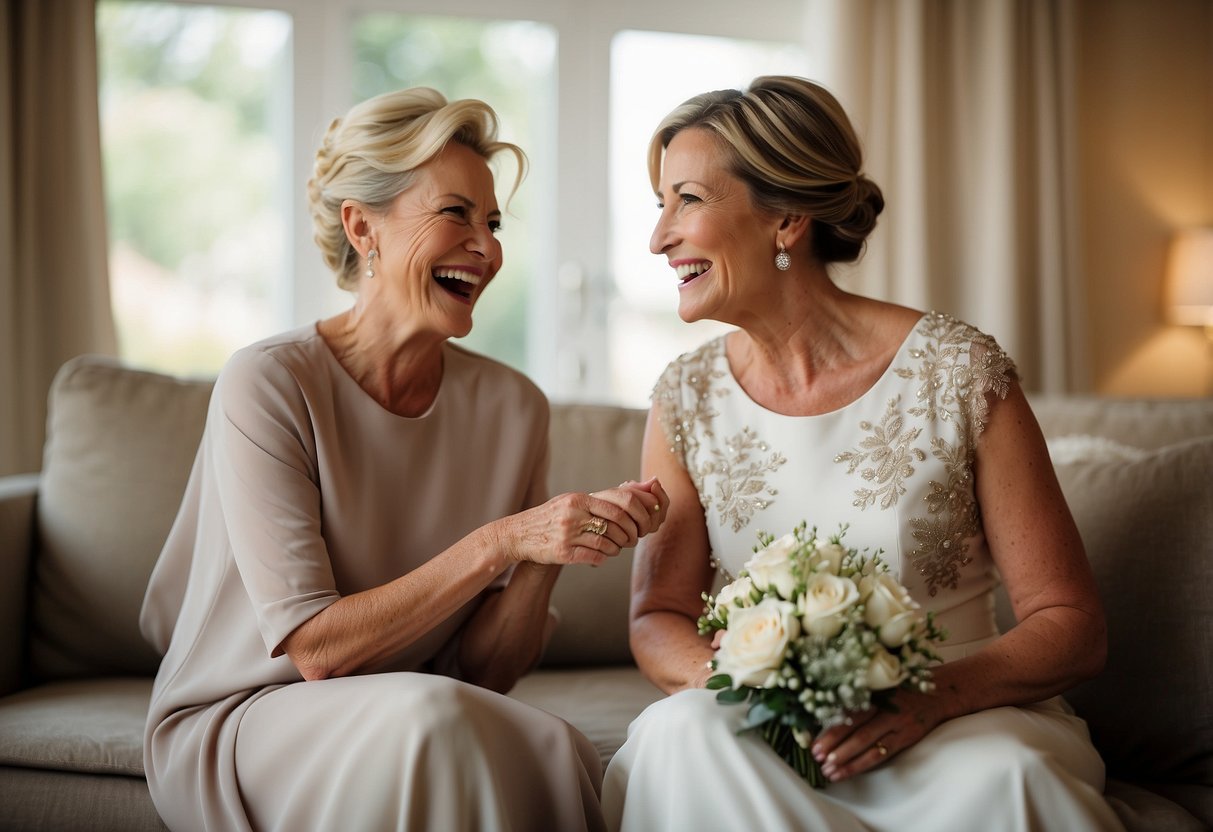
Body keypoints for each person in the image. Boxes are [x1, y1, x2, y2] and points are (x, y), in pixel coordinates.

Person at [601, 76, 1123, 831]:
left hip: (960, 717)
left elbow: (1071, 622)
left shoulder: (957, 372)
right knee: (682, 736)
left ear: (784, 219)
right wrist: (757, 685)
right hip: (767, 723)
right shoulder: (685, 395)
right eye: (660, 206)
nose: (658, 238)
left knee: (1008, 781)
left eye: (686, 200)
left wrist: (927, 698)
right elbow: (657, 613)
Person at [139, 87, 668, 832]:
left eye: (493, 222)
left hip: (421, 707)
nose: (486, 248)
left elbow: (486, 675)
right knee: (432, 719)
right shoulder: (269, 381)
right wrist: (502, 539)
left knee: (549, 742)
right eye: (455, 214)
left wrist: (553, 547)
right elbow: (316, 651)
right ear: (363, 227)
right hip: (248, 713)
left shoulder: (515, 406)